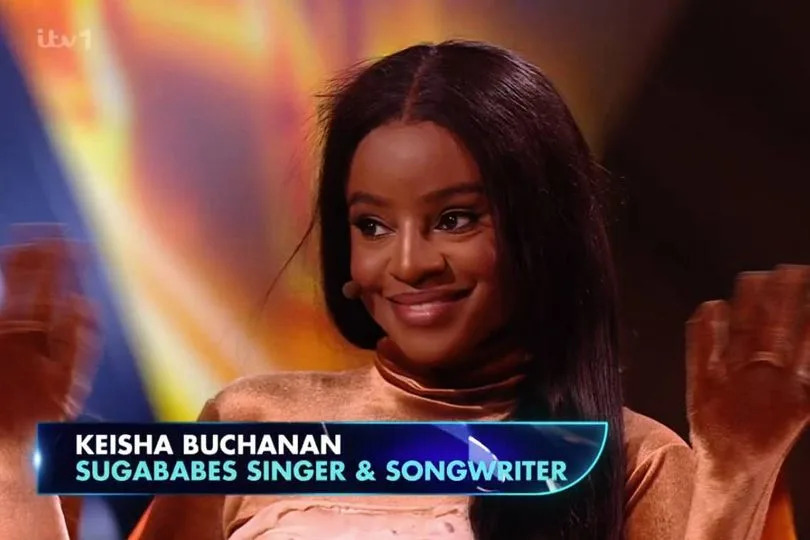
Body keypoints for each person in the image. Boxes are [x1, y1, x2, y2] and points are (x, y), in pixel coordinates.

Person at [0, 40, 807, 539]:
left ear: (544, 234)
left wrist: (740, 472)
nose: (410, 263)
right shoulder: (250, 428)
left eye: (455, 219)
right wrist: (12, 449)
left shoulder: (634, 463)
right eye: (374, 225)